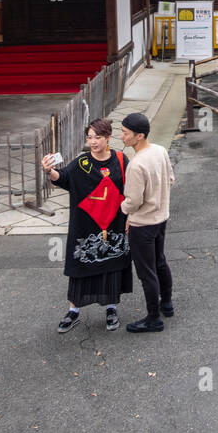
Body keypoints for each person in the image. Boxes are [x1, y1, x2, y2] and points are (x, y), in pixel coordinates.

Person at [42, 118, 131, 333]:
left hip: (115, 223)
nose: (93, 142)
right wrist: (49, 171)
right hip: (85, 225)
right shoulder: (81, 163)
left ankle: (111, 309)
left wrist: (130, 216)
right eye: (89, 137)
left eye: (98, 137)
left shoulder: (120, 159)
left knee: (112, 264)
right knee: (81, 265)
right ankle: (73, 311)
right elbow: (62, 178)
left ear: (108, 137)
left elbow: (131, 189)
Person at [118, 112, 175, 334]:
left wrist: (122, 212)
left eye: (125, 133)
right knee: (160, 261)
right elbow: (170, 179)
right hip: (161, 218)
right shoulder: (160, 151)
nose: (122, 137)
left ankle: (153, 318)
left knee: (146, 272)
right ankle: (167, 304)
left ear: (139, 136)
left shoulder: (136, 165)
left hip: (142, 225)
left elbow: (133, 201)